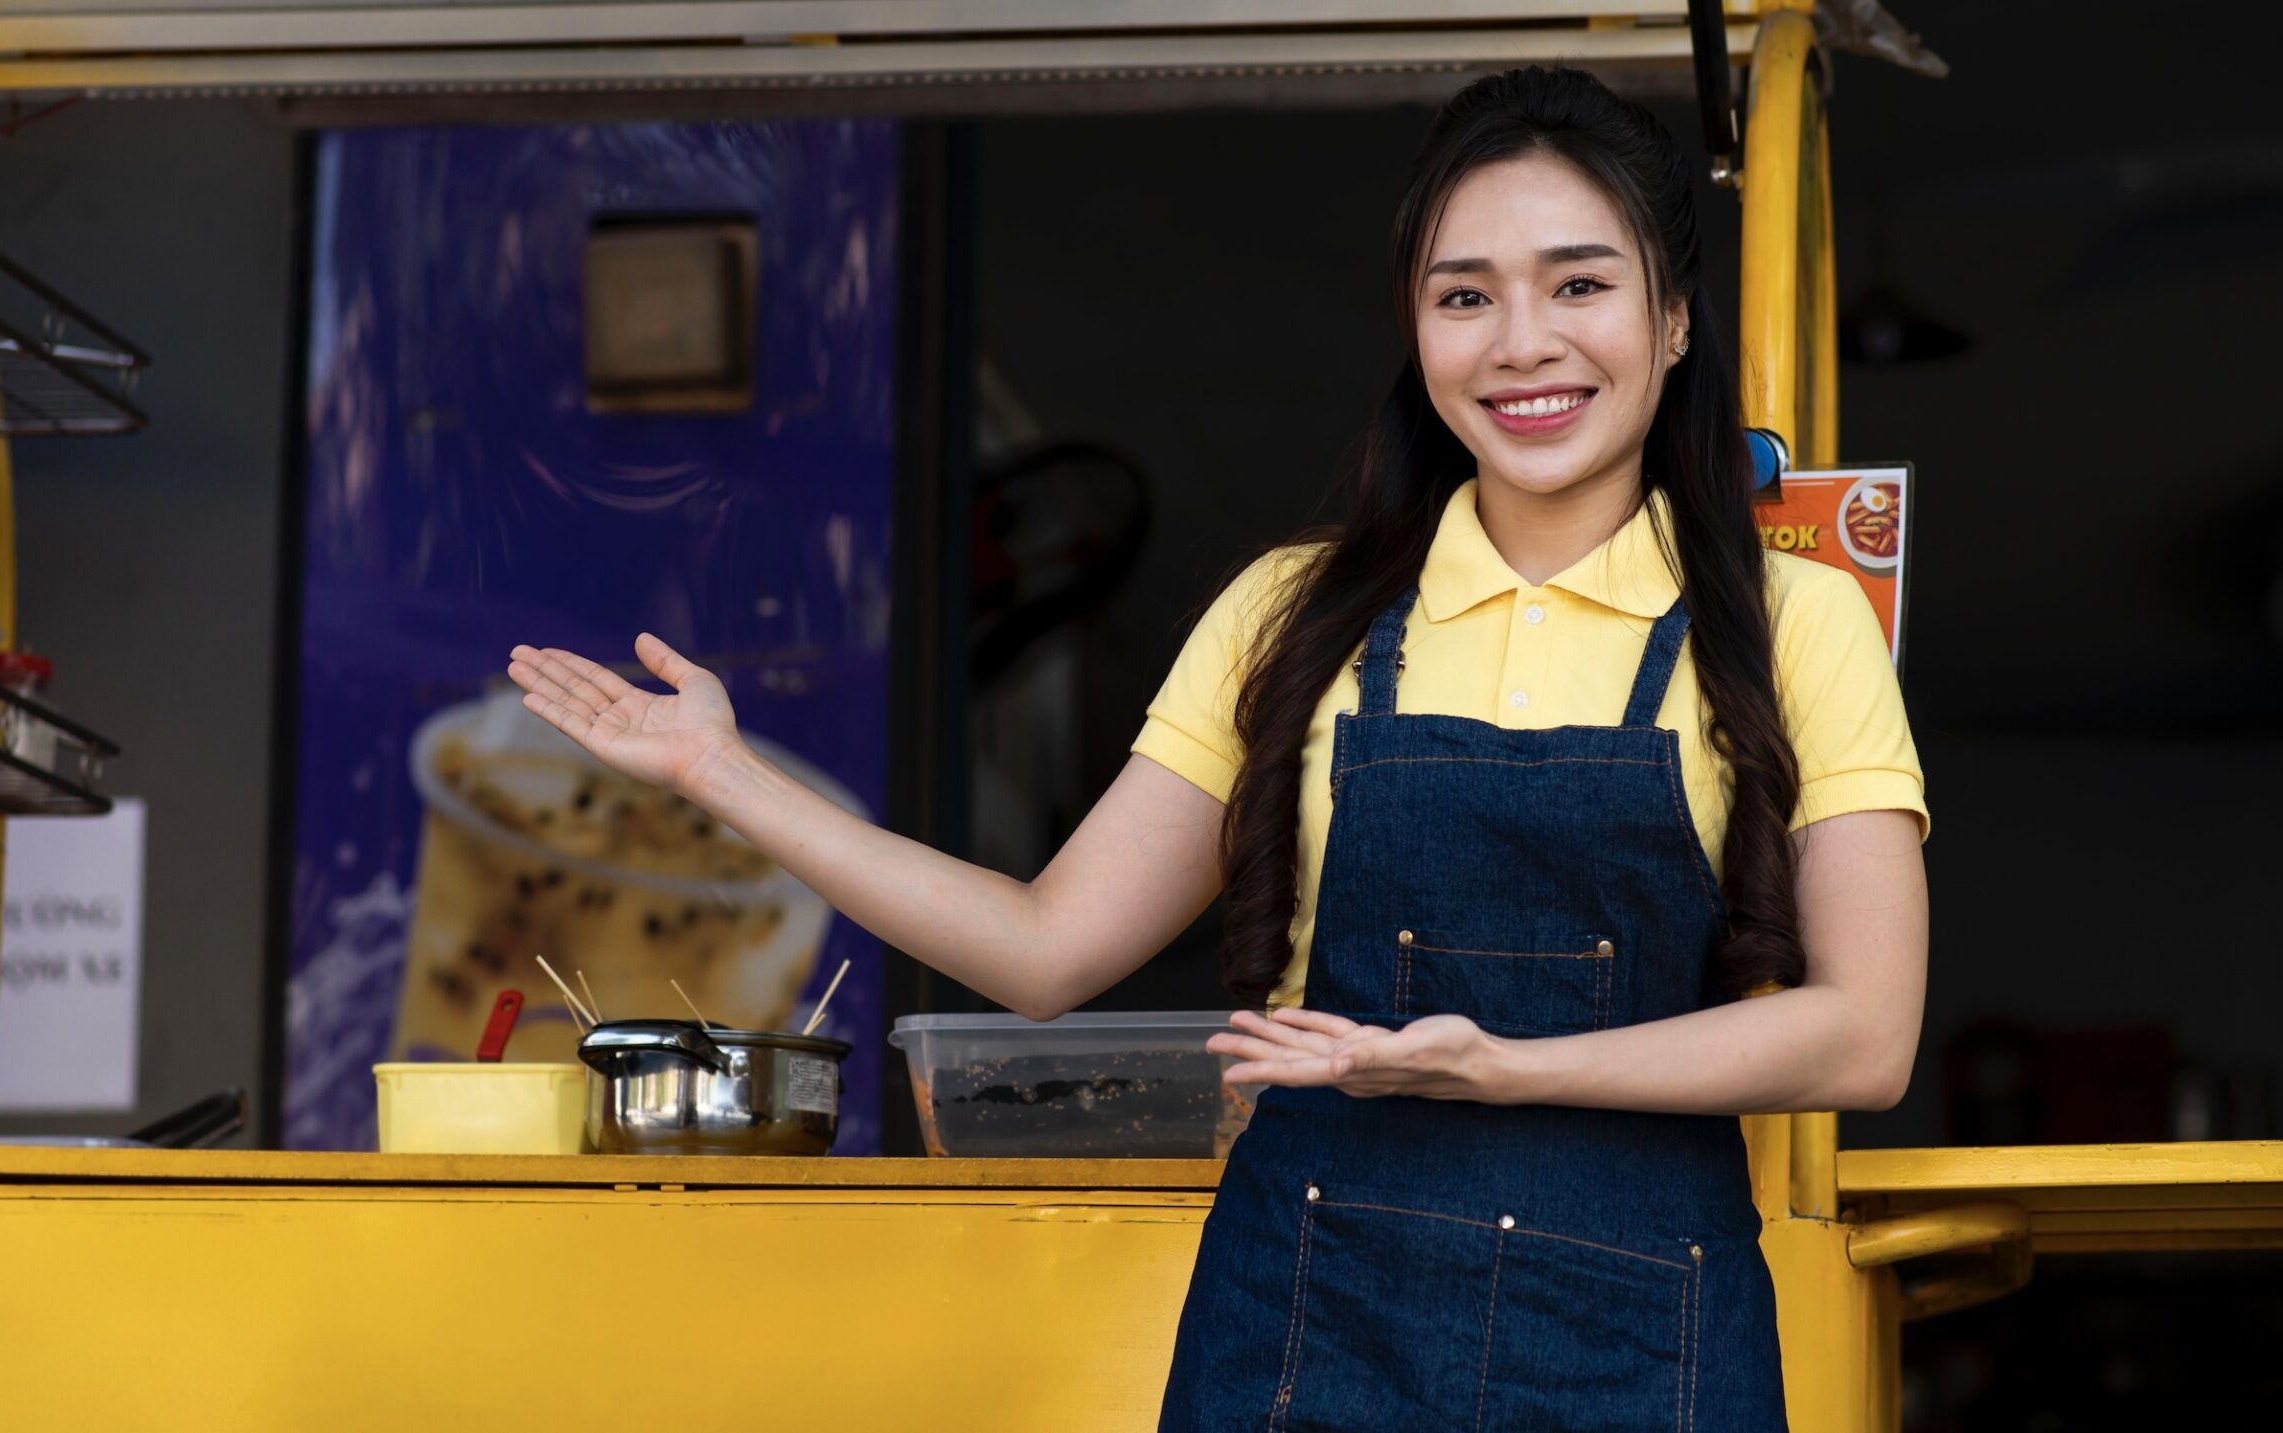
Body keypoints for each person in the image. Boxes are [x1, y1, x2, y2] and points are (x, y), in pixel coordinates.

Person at [507, 64, 1927, 1431]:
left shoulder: (1788, 624)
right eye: (1463, 296)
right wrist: (720, 773)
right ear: (1414, 328)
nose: (1521, 342)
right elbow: (1042, 951)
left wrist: (1503, 1066)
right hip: (1313, 1327)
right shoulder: (1290, 614)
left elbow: (1865, 1033)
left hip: (1644, 1339)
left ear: (1674, 319)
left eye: (1580, 284)